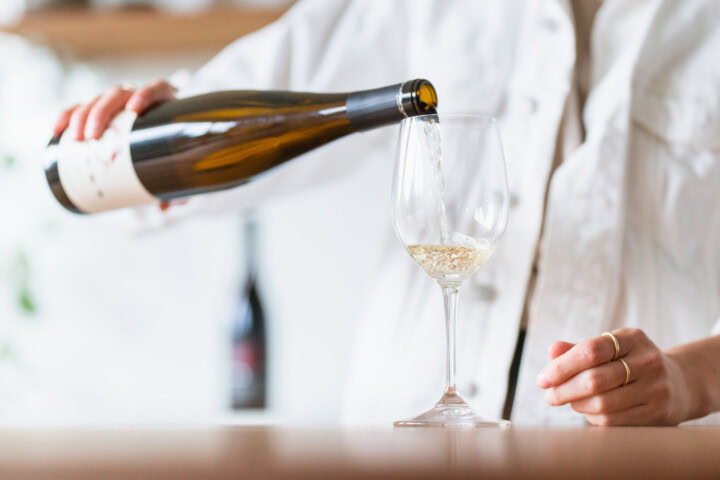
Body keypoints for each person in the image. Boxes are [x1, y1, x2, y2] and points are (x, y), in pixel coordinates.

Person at [53, 0, 720, 426]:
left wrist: (691, 378)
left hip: (641, 459)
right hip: (396, 447)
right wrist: (157, 125)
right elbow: (234, 120)